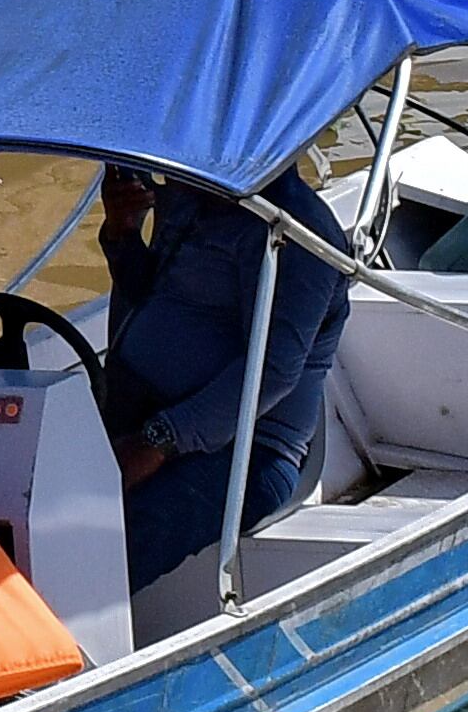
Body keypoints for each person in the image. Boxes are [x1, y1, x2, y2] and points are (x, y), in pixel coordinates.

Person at [95, 162, 350, 594]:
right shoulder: (192, 197)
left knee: (107, 537)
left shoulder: (297, 231)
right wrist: (123, 233)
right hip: (139, 404)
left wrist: (156, 441)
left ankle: (48, 625)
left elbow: (271, 371)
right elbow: (149, 294)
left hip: (247, 449)